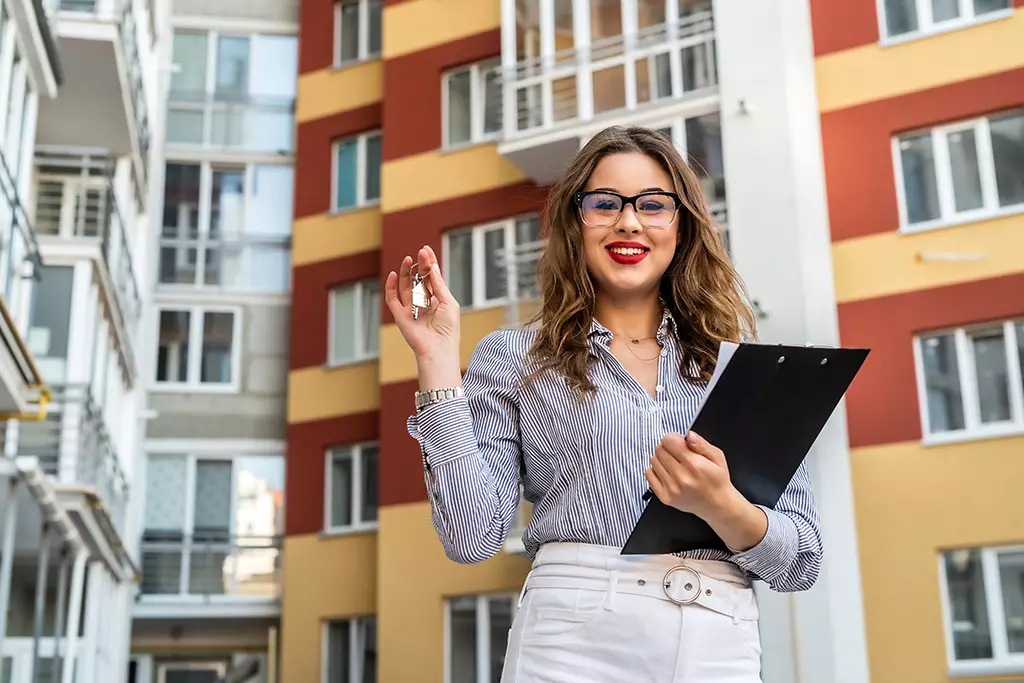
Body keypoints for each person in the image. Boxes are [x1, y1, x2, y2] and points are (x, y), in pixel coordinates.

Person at [384, 125, 822, 682]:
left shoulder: (745, 371)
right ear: (575, 221)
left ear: (682, 225)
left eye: (654, 205)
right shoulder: (515, 356)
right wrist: (439, 362)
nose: (629, 221)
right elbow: (473, 535)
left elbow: (801, 559)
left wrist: (721, 505)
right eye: (604, 203)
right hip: (569, 642)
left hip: (717, 643)